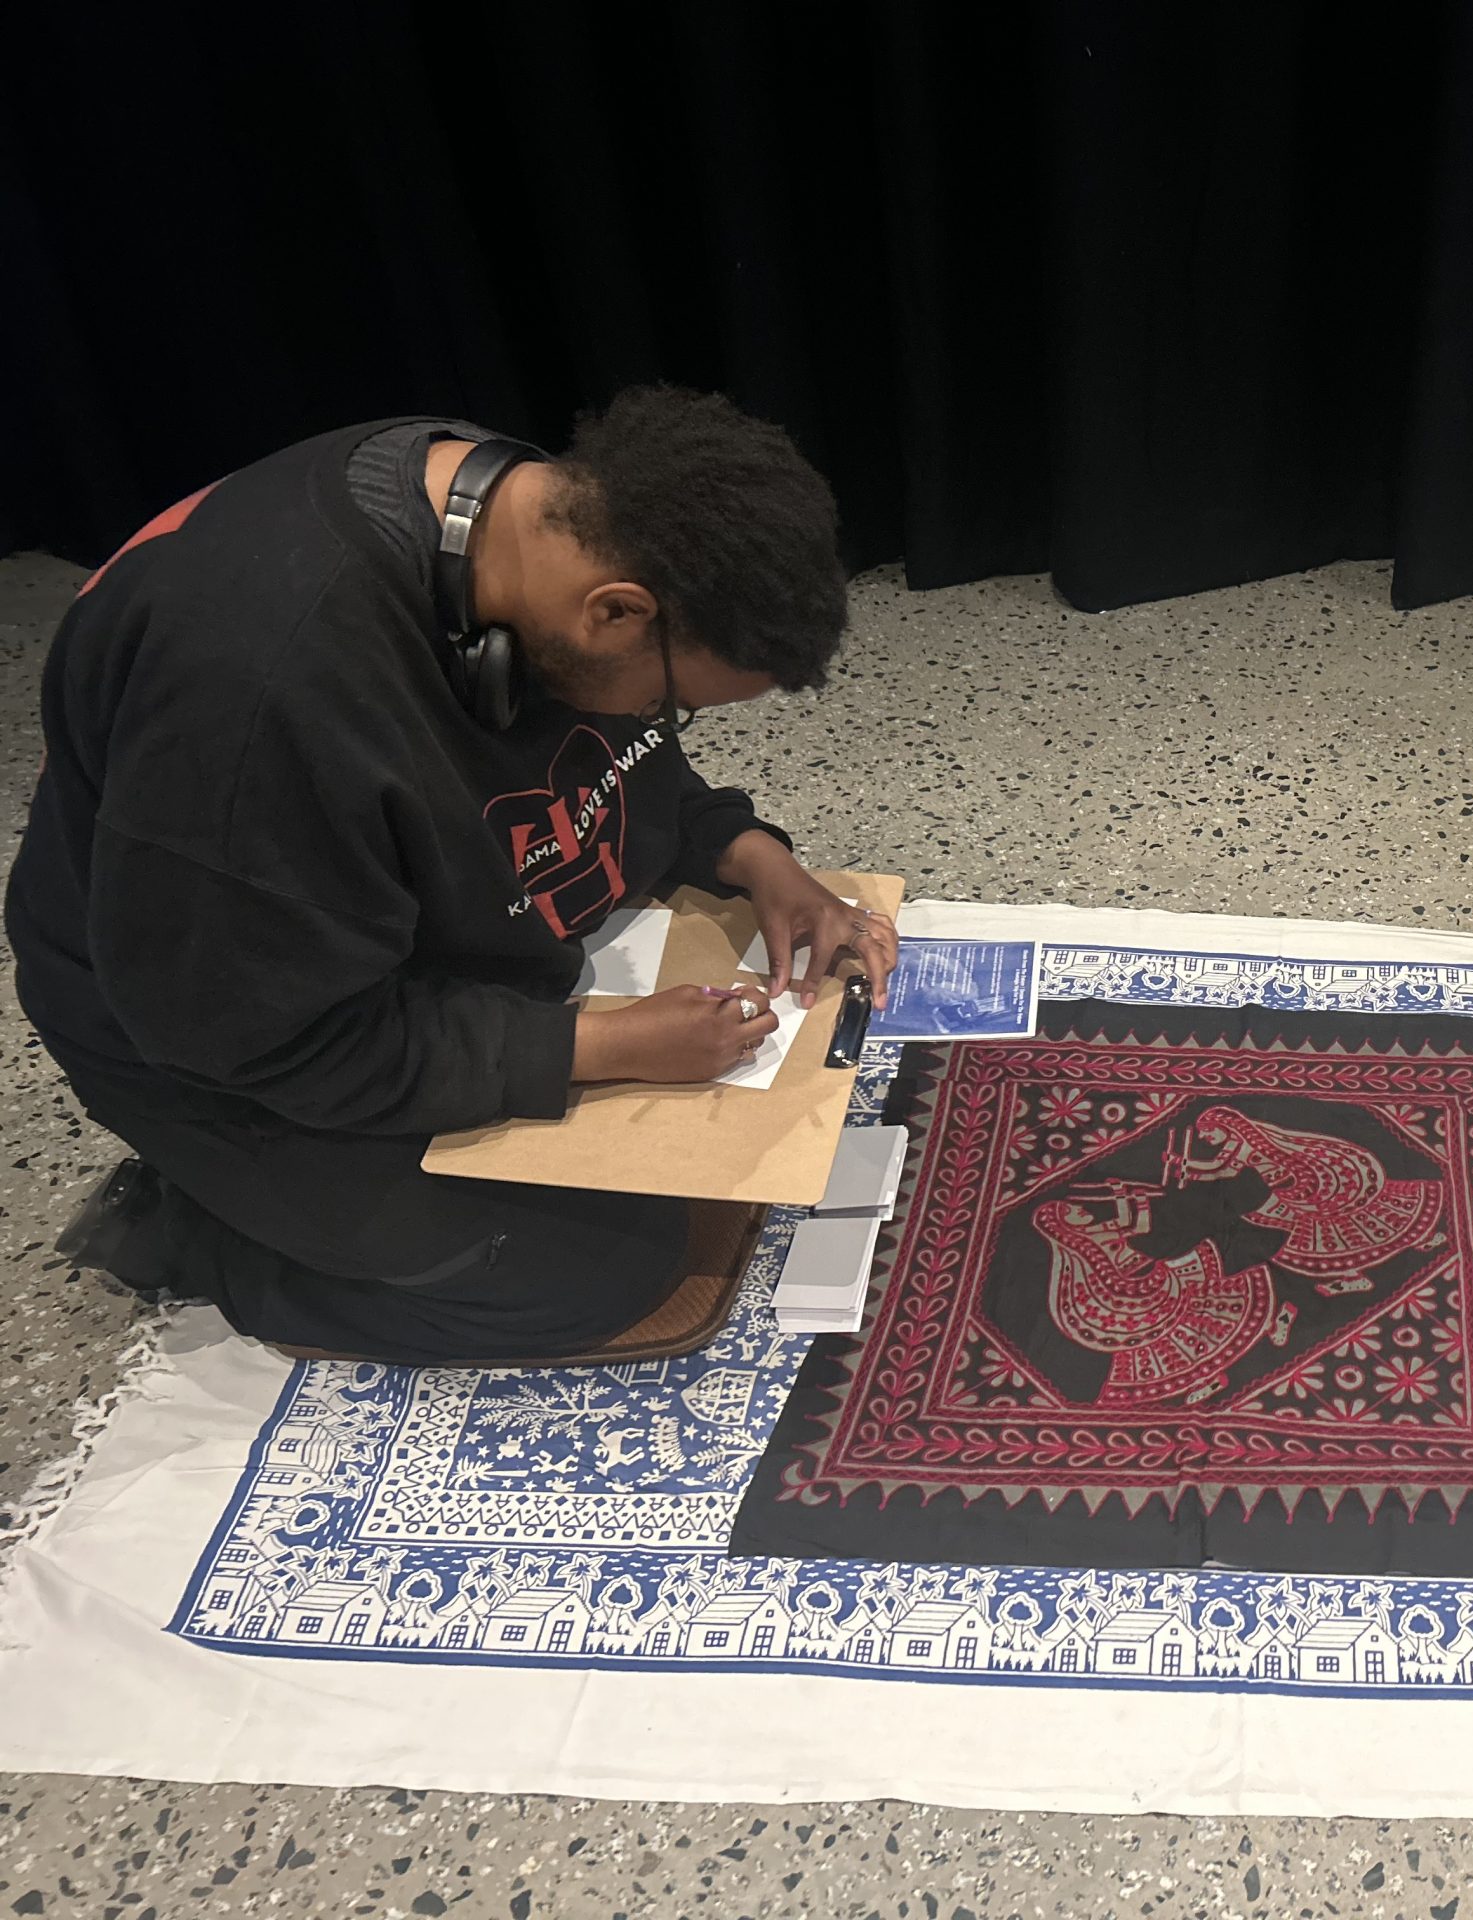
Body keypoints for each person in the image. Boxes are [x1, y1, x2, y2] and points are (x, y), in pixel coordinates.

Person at [9, 390, 900, 1363]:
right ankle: (197, 1231)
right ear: (615, 613)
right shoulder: (258, 695)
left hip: (364, 938)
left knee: (681, 1168)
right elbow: (281, 1043)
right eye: (667, 695)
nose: (661, 717)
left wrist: (753, 856)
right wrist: (603, 1049)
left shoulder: (531, 521)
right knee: (594, 1272)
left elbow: (616, 758)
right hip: (215, 1033)